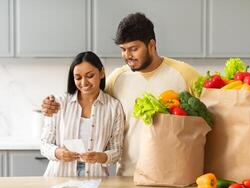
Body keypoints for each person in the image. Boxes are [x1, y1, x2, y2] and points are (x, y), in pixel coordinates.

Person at [41, 13, 200, 176]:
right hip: (128, 175)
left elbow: (213, 119)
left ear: (152, 45)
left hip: (174, 174)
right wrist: (50, 106)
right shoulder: (117, 79)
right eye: (123, 49)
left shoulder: (184, 74)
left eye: (133, 49)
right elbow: (88, 97)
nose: (127, 56)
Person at [40, 51, 124, 177]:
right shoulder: (59, 103)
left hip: (95, 178)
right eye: (78, 78)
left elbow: (117, 150)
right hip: (59, 177)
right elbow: (44, 144)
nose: (84, 82)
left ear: (101, 73)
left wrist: (101, 157)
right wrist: (58, 153)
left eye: (90, 76)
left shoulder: (114, 107)